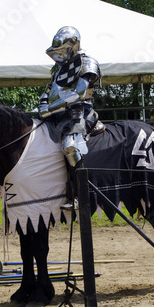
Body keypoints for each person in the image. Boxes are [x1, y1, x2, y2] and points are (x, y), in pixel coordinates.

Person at [38, 26, 104, 209]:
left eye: (62, 51)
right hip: (57, 114)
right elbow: (48, 90)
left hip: (79, 112)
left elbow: (79, 93)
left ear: (73, 46)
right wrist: (43, 104)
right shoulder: (57, 69)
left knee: (70, 146)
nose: (59, 56)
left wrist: (50, 108)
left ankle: (80, 195)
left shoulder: (87, 63)